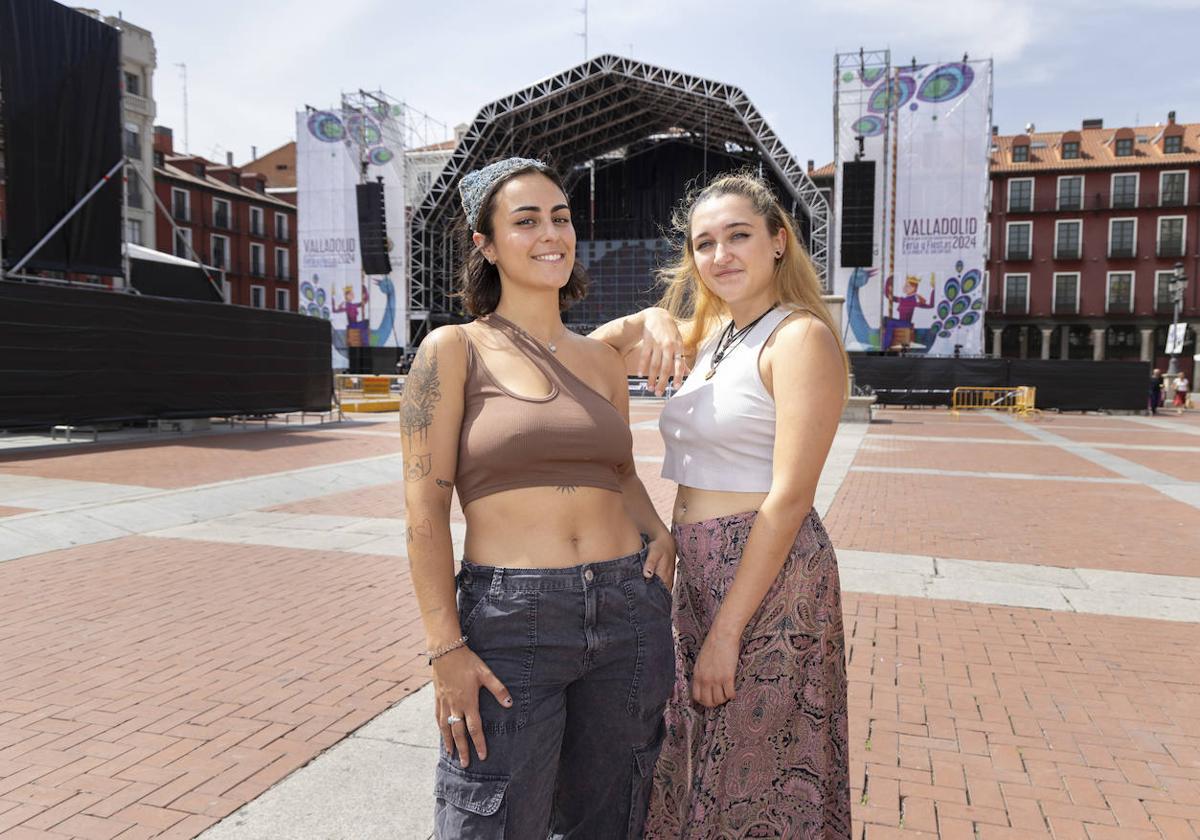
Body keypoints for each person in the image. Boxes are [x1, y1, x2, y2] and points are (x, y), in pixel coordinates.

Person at [400, 157, 676, 839]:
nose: (551, 233)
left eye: (560, 217)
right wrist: (445, 650)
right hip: (512, 616)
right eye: (526, 221)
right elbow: (425, 510)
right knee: (493, 817)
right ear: (485, 245)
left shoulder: (603, 360)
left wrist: (659, 533)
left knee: (614, 815)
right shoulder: (453, 350)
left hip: (626, 612)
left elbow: (621, 470)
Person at [595, 171, 852, 838]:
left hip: (767, 574)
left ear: (778, 241)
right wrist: (651, 316)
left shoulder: (797, 338)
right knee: (705, 759)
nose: (721, 255)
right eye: (704, 243)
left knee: (759, 768)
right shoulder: (712, 336)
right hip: (701, 571)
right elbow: (592, 350)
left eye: (739, 235)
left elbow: (791, 496)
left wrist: (728, 632)